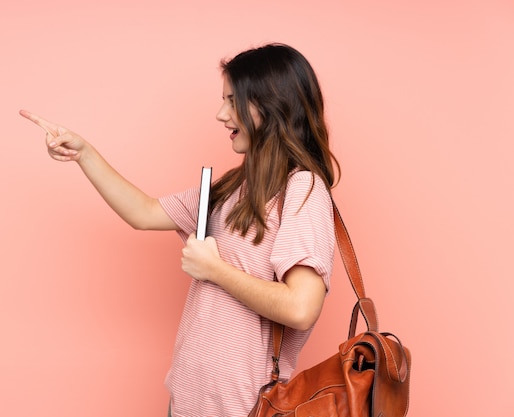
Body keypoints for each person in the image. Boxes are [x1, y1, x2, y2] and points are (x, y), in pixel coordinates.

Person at [20, 43, 339, 417]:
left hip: (243, 409)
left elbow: (301, 308)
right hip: (188, 402)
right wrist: (84, 153)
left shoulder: (303, 189)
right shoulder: (231, 188)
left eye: (233, 101)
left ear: (271, 105)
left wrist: (214, 270)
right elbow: (143, 211)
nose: (221, 114)